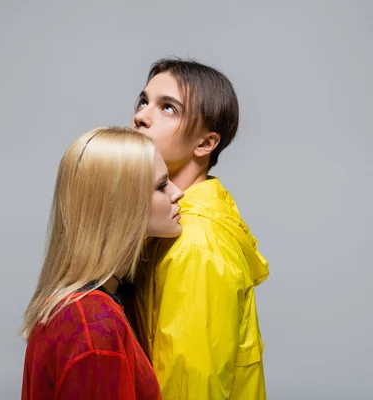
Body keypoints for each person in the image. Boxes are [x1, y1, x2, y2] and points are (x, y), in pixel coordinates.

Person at [129, 59, 270, 399]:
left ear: (206, 144)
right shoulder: (166, 223)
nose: (142, 116)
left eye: (168, 108)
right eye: (144, 101)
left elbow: (191, 387)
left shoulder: (196, 244)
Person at [20, 126, 184, 400]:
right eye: (161, 185)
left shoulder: (69, 309)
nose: (178, 192)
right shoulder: (94, 326)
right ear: (123, 205)